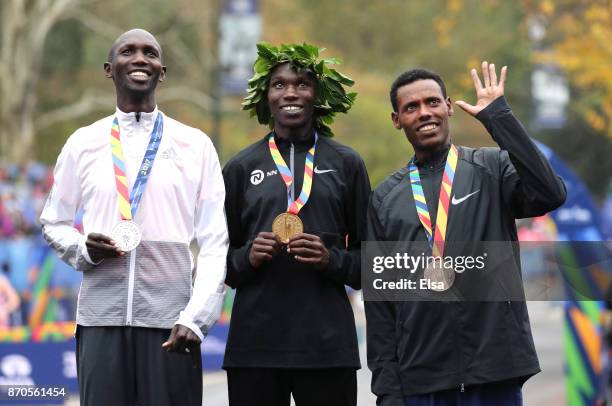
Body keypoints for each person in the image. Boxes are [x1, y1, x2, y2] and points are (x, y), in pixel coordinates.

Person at [40, 29, 228, 406]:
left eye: (150, 53)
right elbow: (53, 222)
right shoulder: (83, 142)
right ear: (110, 69)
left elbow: (214, 240)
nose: (140, 58)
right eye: (129, 51)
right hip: (100, 322)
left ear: (162, 71)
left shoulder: (195, 145)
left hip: (172, 323)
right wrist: (84, 249)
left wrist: (197, 316)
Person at [366, 63, 566, 405]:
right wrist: (387, 388)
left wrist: (498, 117)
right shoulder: (385, 198)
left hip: (494, 372)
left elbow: (550, 193)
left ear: (448, 105)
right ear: (397, 120)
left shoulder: (491, 168)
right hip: (421, 379)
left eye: (431, 102)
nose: (424, 113)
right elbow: (381, 302)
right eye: (411, 107)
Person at [222, 43, 371, 406]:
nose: (291, 92)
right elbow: (220, 263)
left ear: (317, 95)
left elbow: (371, 262)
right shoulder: (240, 167)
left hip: (326, 348)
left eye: (302, 84)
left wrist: (331, 260)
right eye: (279, 84)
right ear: (266, 96)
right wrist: (247, 258)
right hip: (254, 348)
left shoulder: (347, 164)